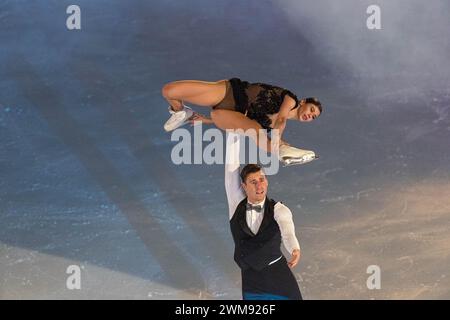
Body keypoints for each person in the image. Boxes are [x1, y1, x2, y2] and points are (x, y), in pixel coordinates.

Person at [161, 78, 322, 161]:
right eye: (312, 109)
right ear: (303, 102)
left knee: (255, 131)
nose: (310, 115)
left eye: (313, 117)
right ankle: (181, 112)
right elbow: (281, 119)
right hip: (229, 93)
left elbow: (240, 122)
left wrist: (205, 121)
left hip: (224, 114)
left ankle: (284, 151)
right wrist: (277, 138)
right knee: (169, 91)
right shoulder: (291, 100)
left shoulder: (270, 126)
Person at [224, 131, 303, 300]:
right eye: (253, 182)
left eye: (262, 179)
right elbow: (231, 166)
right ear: (244, 186)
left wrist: (294, 249)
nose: (259, 185)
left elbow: (287, 231)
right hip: (252, 279)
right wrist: (233, 130)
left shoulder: (279, 209)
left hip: (279, 277)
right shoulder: (236, 204)